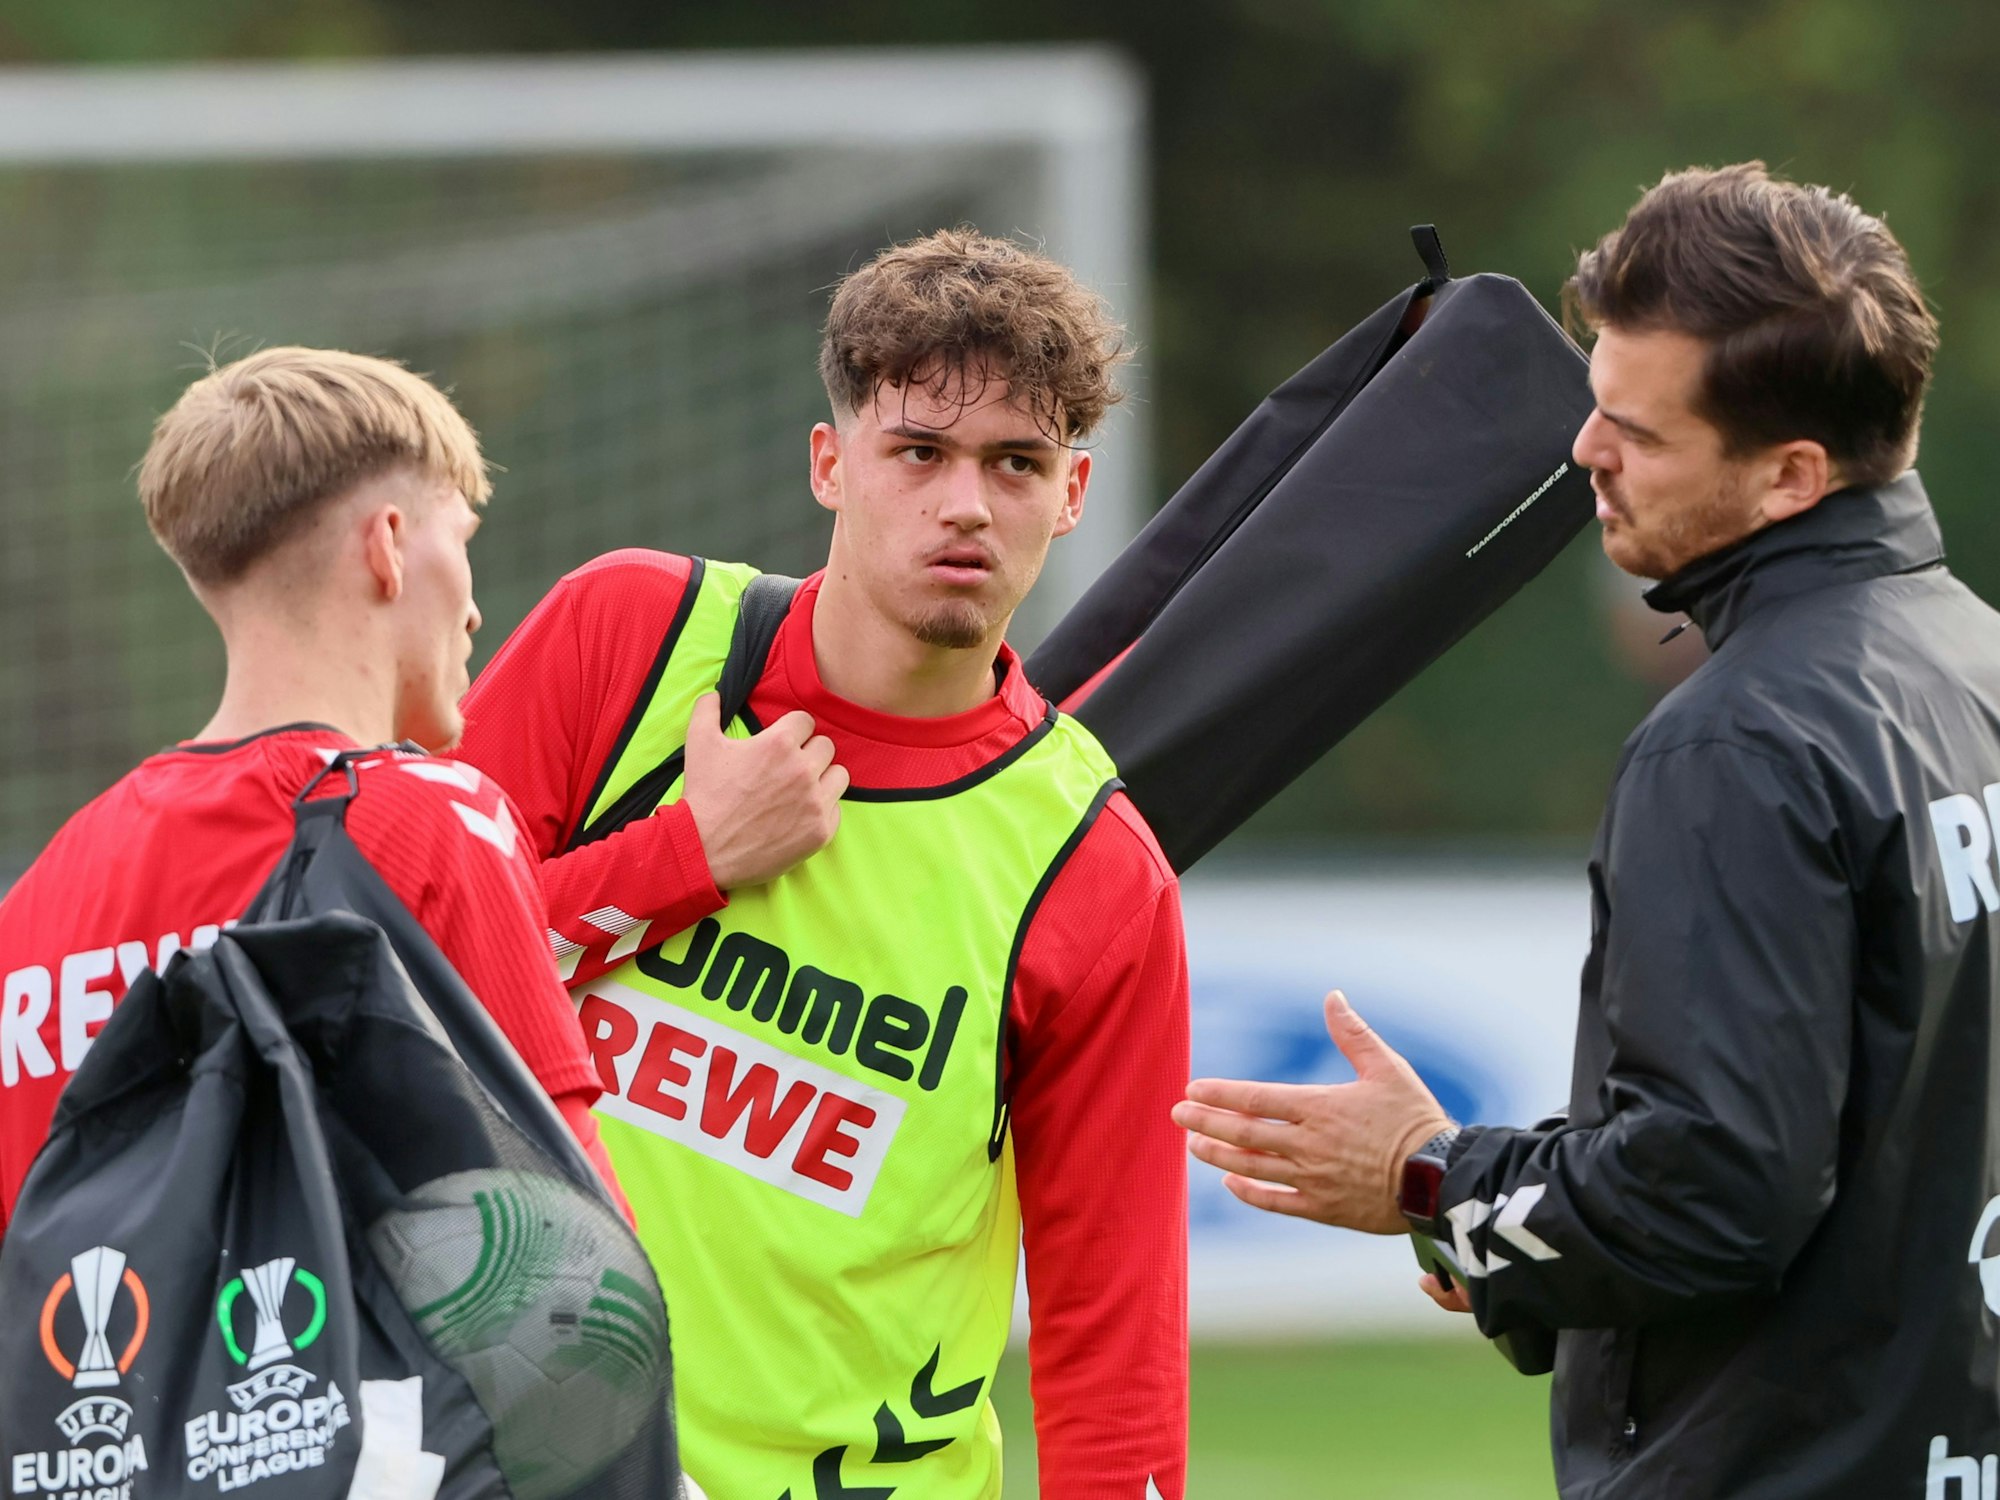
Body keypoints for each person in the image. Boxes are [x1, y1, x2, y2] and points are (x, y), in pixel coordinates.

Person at [1175, 162, 2000, 1498]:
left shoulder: (1738, 740)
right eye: (1592, 407)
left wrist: (1428, 1180)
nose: (1583, 453)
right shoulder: (1977, 665)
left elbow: (1714, 1196)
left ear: (1792, 473)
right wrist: (1500, 1229)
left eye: (1639, 431)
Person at [453, 228, 1190, 1500]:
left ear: (1070, 496)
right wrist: (683, 855)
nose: (965, 504)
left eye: (1015, 463)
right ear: (830, 463)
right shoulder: (627, 638)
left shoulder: (1096, 869)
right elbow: (391, 978)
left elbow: (1111, 1326)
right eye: (918, 452)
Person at [0, 347, 628, 1230]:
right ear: (390, 547)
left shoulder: (44, 896)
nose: (476, 608)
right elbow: (579, 1259)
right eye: (462, 538)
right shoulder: (432, 817)